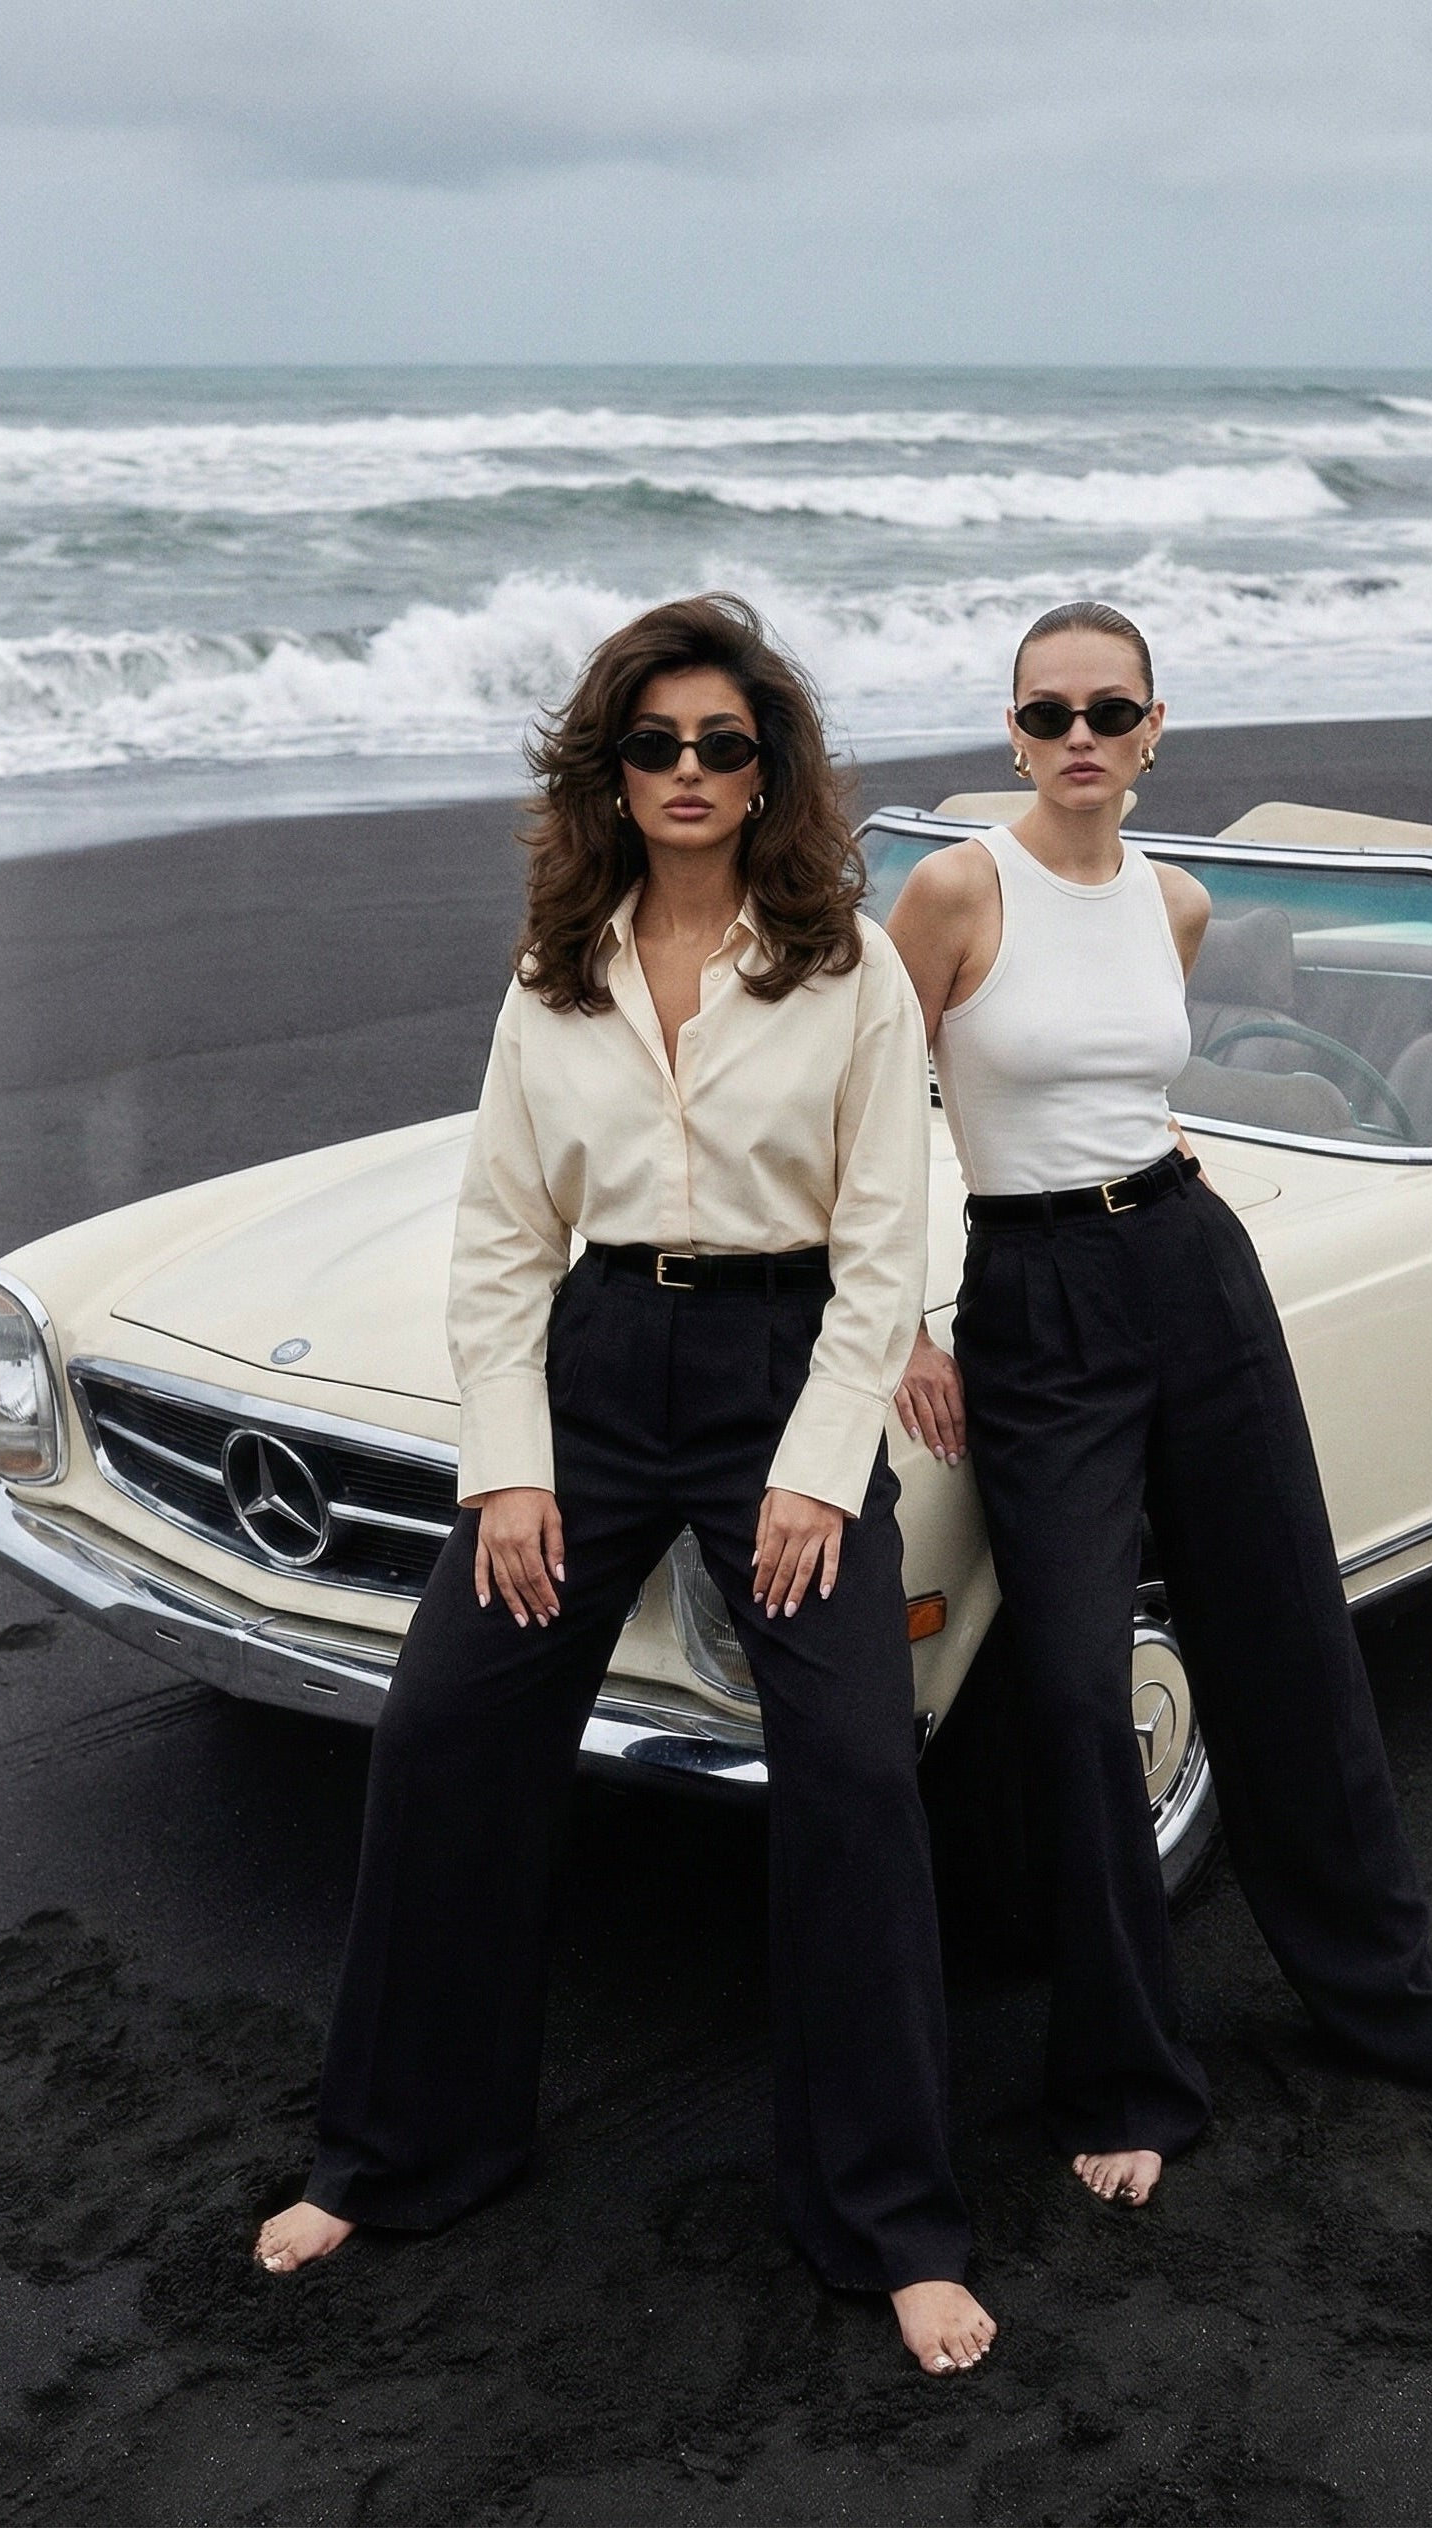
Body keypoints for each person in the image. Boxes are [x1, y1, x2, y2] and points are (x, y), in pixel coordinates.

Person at [255, 594, 995, 2375]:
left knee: (847, 1771)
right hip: (590, 1373)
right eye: (654, 744)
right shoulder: (556, 959)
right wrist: (509, 1469)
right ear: (611, 766)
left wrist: (819, 1474)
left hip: (779, 1371)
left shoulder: (850, 968)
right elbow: (505, 1236)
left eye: (721, 746)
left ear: (768, 774)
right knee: (444, 1733)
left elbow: (885, 1250)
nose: (687, 771)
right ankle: (405, 2146)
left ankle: (886, 2217)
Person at [887, 599, 1432, 2208]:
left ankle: (1394, 2012)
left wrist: (1160, 1193)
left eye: (1108, 712)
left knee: (1287, 1642)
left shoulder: (1176, 902)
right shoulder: (955, 889)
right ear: (1012, 732)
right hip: (1032, 1302)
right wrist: (898, 1326)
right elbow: (868, 1106)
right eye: (1047, 716)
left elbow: (1137, 1092)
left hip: (1190, 1266)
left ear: (1155, 725)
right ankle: (1121, 2073)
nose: (1079, 743)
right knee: (1067, 1686)